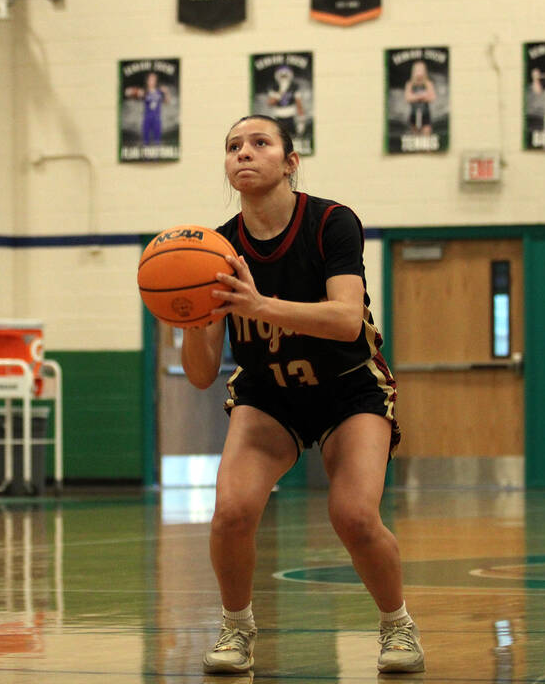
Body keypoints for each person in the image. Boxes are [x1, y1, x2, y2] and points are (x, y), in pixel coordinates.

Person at [182, 116, 424, 675]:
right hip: (269, 394)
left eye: (259, 143)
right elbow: (198, 375)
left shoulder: (332, 223)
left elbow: (344, 320)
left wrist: (259, 305)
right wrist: (189, 314)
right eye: (232, 146)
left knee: (354, 516)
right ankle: (237, 628)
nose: (243, 153)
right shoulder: (216, 249)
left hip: (348, 389)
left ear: (290, 162)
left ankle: (398, 625)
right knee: (232, 514)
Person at [124, 71, 170, 146]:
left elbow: (167, 102)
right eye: (151, 79)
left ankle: (157, 156)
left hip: (157, 119)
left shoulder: (159, 92)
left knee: (157, 142)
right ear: (147, 80)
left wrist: (166, 92)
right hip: (147, 119)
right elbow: (128, 93)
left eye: (154, 79)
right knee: (145, 142)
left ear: (156, 81)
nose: (152, 81)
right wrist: (131, 91)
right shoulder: (144, 91)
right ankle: (146, 156)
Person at [403, 60, 436, 136]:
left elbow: (432, 97)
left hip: (425, 114)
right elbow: (408, 98)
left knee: (426, 136)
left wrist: (416, 97)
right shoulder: (410, 84)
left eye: (421, 70)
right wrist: (421, 96)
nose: (419, 72)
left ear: (425, 71)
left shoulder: (428, 83)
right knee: (415, 136)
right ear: (414, 72)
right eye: (417, 70)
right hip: (413, 114)